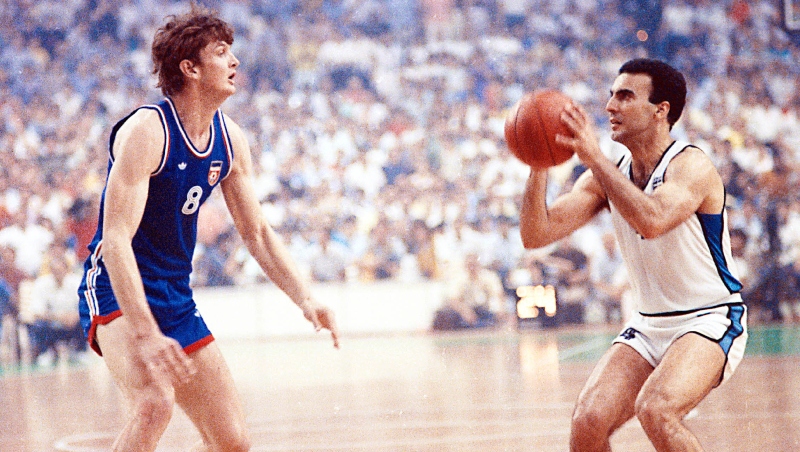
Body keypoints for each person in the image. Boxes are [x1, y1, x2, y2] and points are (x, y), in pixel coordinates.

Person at [76, 5, 339, 451]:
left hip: (174, 294)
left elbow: (257, 234)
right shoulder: (148, 131)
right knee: (154, 404)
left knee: (232, 442)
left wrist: (306, 297)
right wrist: (146, 332)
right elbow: (116, 241)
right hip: (117, 287)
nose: (234, 61)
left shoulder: (230, 139)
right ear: (190, 68)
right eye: (221, 52)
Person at [519, 58, 747, 451]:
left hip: (710, 318)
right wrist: (538, 162)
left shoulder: (691, 165)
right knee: (588, 421)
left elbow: (653, 219)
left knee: (656, 409)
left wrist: (596, 159)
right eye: (611, 95)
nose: (610, 106)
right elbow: (536, 233)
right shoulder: (608, 174)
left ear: (661, 111)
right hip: (648, 323)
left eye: (625, 96)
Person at [27, 248, 86, 365]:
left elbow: (86, 306)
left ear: (67, 269)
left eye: (60, 270)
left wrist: (75, 316)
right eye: (55, 271)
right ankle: (46, 352)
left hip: (73, 322)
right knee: (38, 324)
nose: (58, 274)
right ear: (50, 271)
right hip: (52, 323)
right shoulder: (41, 284)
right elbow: (37, 311)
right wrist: (58, 317)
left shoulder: (77, 281)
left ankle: (80, 351)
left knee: (85, 319)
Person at [432, 253, 506, 331]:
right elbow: (453, 299)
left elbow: (498, 294)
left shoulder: (488, 276)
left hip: (483, 310)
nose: (472, 268)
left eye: (474, 264)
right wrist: (465, 311)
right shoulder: (459, 278)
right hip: (464, 311)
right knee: (449, 317)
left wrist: (500, 310)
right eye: (470, 265)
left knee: (492, 320)